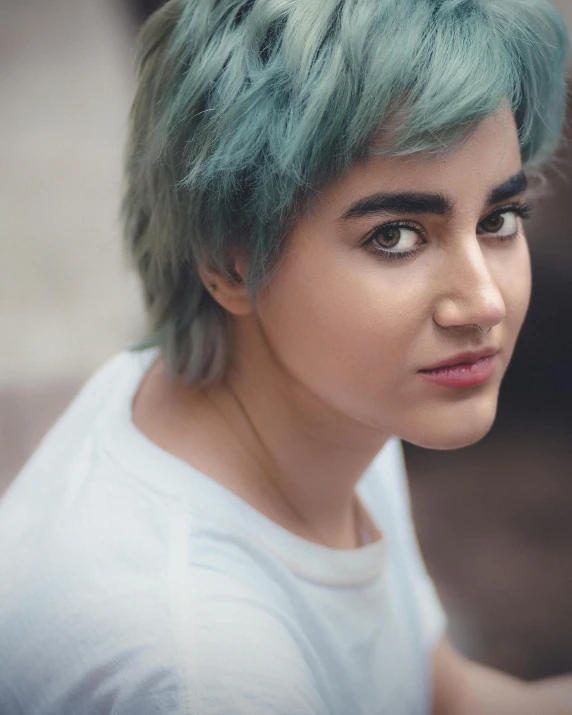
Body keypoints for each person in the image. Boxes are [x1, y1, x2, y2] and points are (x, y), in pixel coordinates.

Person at [1, 0, 571, 712]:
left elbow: (448, 695)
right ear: (231, 264)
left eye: (498, 220)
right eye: (395, 236)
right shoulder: (208, 667)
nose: (482, 302)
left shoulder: (328, 401)